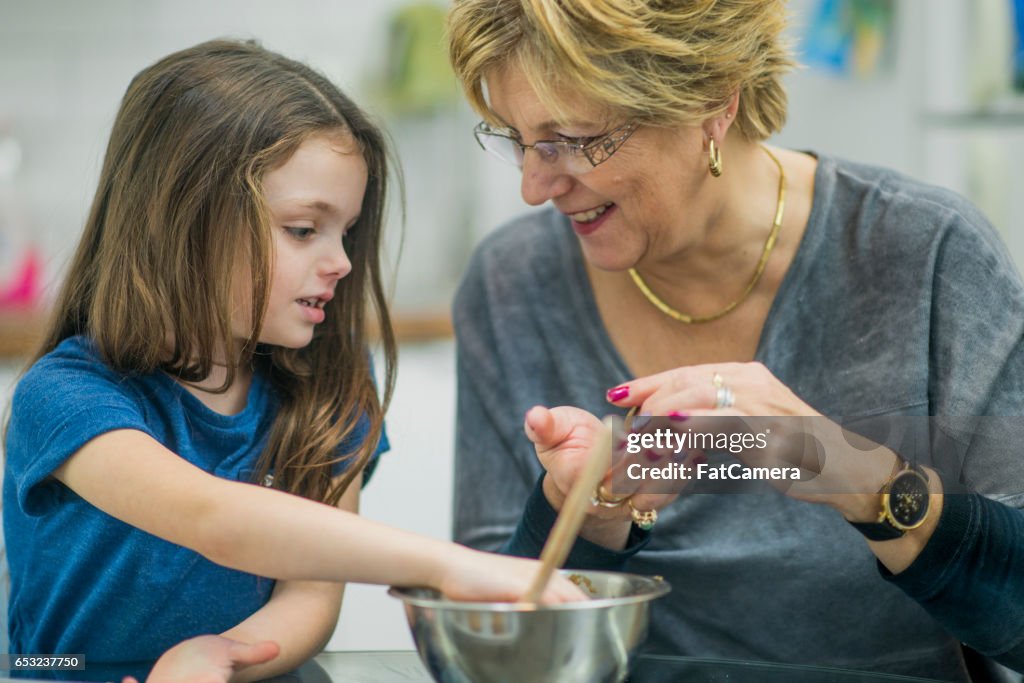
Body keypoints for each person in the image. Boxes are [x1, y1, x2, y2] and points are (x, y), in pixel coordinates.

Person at [445, 1, 1024, 680]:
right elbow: (492, 658)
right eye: (517, 137)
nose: (533, 186)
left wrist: (846, 470)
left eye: (573, 137)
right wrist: (587, 510)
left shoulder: (927, 254)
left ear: (713, 104)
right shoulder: (511, 283)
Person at [1, 39, 582, 683]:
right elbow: (214, 518)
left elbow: (309, 595)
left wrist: (221, 656)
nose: (342, 262)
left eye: (346, 232)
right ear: (182, 221)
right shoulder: (64, 397)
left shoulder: (329, 385)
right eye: (305, 230)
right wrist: (447, 565)